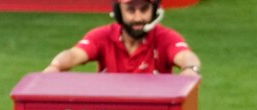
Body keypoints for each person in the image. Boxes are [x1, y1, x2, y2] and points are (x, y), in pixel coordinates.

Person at [43, 0, 201, 75]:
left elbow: (186, 56)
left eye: (144, 9)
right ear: (119, 11)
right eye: (131, 10)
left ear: (155, 10)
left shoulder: (165, 38)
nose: (138, 18)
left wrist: (190, 70)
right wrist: (55, 66)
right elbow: (74, 54)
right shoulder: (102, 36)